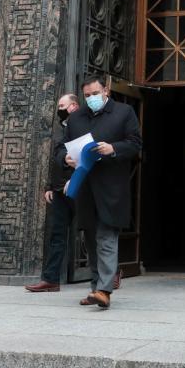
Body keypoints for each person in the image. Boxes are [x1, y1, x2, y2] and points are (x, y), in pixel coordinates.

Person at [58, 75, 141, 309]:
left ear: (106, 91)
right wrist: (65, 159)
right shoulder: (76, 118)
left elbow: (135, 143)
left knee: (106, 238)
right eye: (87, 95)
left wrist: (113, 148)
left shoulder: (124, 112)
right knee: (91, 240)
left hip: (111, 188)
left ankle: (105, 289)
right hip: (85, 188)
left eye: (95, 93)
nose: (91, 98)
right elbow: (61, 147)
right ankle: (96, 287)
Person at [25, 94, 80, 293]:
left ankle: (109, 275)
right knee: (56, 234)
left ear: (73, 106)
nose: (59, 108)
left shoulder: (86, 124)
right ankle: (50, 279)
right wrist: (49, 185)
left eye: (62, 105)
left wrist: (74, 179)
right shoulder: (60, 129)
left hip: (82, 187)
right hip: (59, 190)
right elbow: (55, 160)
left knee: (92, 233)